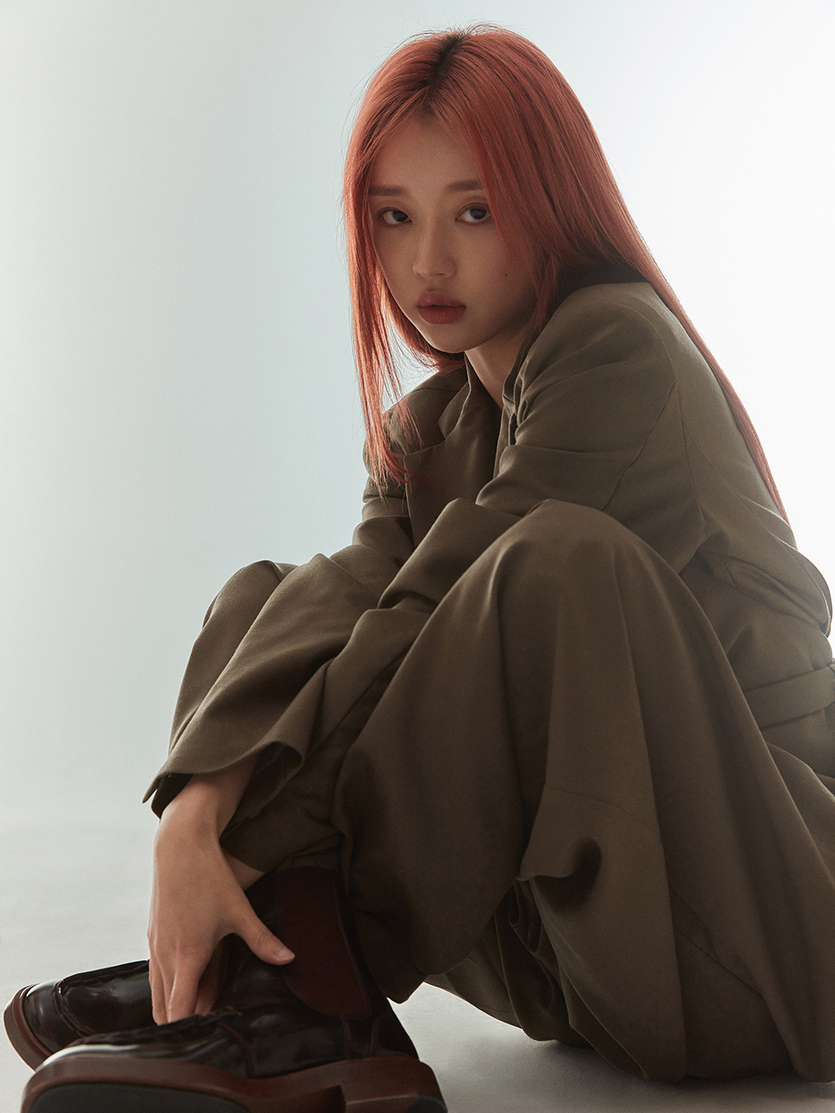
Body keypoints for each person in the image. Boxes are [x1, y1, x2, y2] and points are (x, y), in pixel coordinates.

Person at [7, 21, 835, 1113]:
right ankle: (270, 984)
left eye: (474, 211)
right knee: (270, 602)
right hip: (587, 955)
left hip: (770, 933)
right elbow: (349, 604)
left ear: (552, 204)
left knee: (551, 565)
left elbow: (440, 598)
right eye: (393, 217)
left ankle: (281, 990)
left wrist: (232, 840)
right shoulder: (427, 432)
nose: (427, 263)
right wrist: (192, 812)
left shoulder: (618, 346)